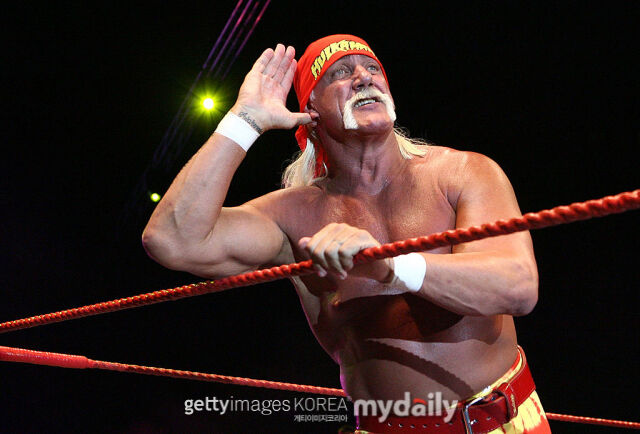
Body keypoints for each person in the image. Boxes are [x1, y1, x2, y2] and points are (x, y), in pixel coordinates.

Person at [142, 35, 551, 433]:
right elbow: (172, 240)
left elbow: (517, 287)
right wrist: (245, 121)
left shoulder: (463, 173)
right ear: (310, 110)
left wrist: (390, 266)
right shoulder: (293, 215)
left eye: (372, 68)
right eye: (340, 72)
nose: (363, 77)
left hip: (504, 422)